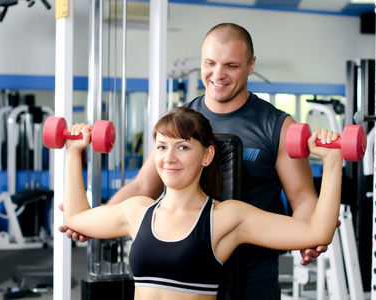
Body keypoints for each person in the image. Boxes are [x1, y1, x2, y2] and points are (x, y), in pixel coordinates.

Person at [59, 23, 337, 299]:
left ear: (251, 65)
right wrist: (94, 220)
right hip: (185, 265)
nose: (218, 74)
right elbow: (143, 185)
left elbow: (302, 199)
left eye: (231, 65)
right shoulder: (183, 120)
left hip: (252, 274)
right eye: (210, 63)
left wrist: (305, 236)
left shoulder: (277, 126)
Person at [63, 107, 343, 300]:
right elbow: (76, 217)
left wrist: (332, 161)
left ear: (207, 156)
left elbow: (317, 232)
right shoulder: (137, 211)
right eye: (162, 147)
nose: (169, 158)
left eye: (183, 147)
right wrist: (73, 152)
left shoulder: (226, 217)